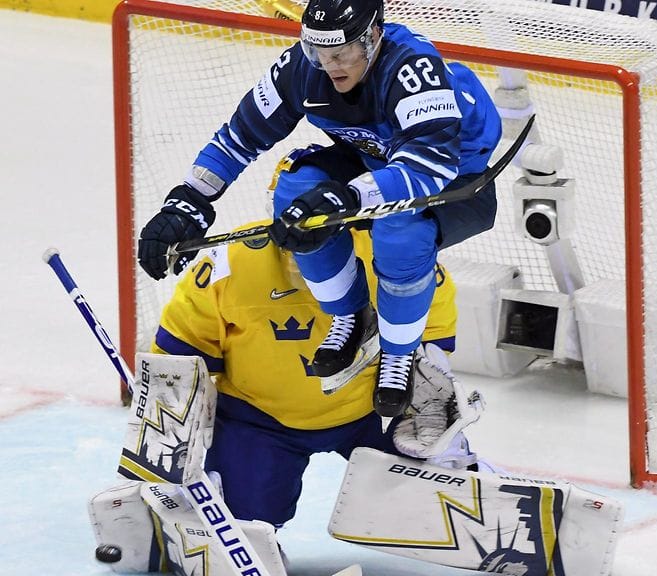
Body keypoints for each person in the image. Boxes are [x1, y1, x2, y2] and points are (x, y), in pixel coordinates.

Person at [137, 0, 502, 419]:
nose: (330, 66)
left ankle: (399, 353)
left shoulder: (412, 67)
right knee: (296, 197)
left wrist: (349, 197)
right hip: (372, 157)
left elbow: (431, 162)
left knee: (400, 229)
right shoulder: (302, 69)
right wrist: (187, 201)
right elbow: (238, 138)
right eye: (319, 53)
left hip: (458, 175)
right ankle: (350, 317)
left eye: (341, 53)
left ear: (373, 37)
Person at [151, 172, 485, 528]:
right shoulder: (228, 266)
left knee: (433, 492)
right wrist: (167, 446)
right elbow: (178, 362)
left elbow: (429, 340)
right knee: (244, 524)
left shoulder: (393, 258)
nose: (308, 245)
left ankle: (466, 492)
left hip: (373, 413)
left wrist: (433, 401)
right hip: (259, 422)